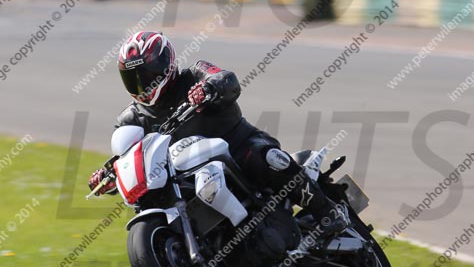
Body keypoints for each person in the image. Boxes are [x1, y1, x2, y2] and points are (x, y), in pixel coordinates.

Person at [88, 30, 347, 238]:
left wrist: (208, 88)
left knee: (266, 157)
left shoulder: (194, 74)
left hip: (236, 145)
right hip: (184, 174)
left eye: (146, 75)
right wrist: (110, 174)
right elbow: (129, 156)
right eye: (133, 79)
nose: (142, 85)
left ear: (165, 66)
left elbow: (227, 79)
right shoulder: (131, 118)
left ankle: (327, 212)